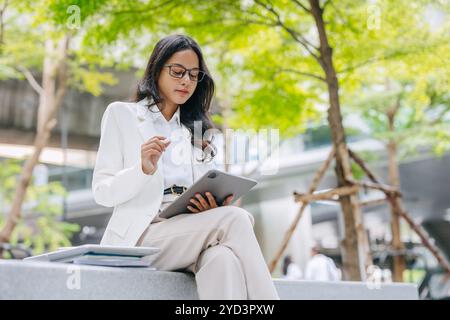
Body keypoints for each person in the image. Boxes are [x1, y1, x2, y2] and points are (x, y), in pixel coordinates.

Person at [91, 34, 279, 300]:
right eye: (178, 72)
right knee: (237, 219)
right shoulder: (122, 114)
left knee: (222, 258)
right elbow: (102, 192)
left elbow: (208, 195)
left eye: (194, 75)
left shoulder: (196, 132)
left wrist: (211, 207)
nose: (186, 81)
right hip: (143, 236)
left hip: (189, 232)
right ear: (157, 70)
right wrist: (141, 169)